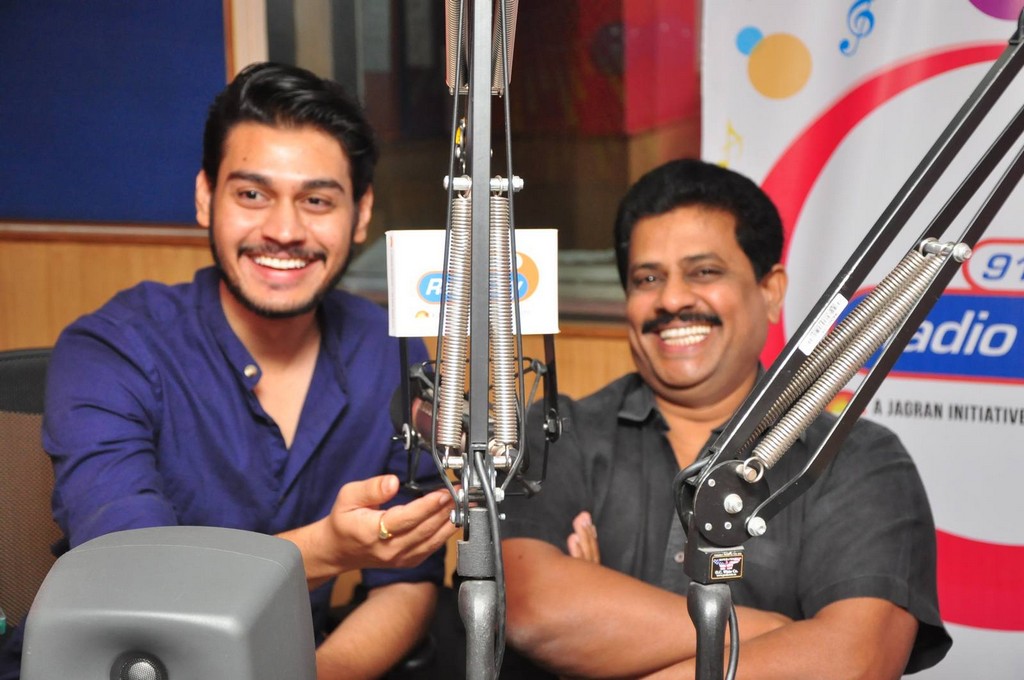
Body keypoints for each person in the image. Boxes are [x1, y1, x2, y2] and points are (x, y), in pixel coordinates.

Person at [0, 62, 457, 680]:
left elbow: (407, 580)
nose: (284, 231)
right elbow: (141, 578)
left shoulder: (388, 348)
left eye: (317, 200)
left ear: (360, 214)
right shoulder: (111, 348)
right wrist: (324, 551)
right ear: (204, 197)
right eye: (252, 195)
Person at [500, 159, 952, 678]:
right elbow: (532, 608)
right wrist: (784, 636)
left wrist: (607, 629)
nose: (672, 299)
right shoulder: (559, 432)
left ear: (770, 290)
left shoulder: (856, 458)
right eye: (648, 278)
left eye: (704, 272)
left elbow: (855, 660)